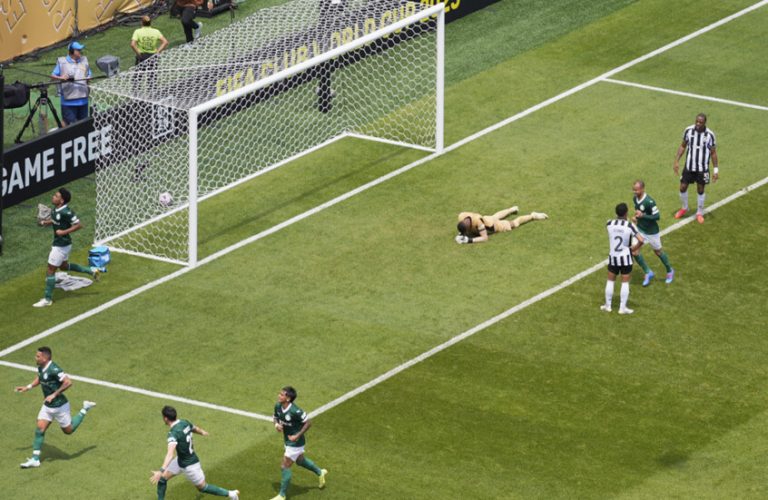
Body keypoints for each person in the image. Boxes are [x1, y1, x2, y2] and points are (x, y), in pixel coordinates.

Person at [14, 346, 97, 468]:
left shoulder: (54, 369)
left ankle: (85, 408)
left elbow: (68, 382)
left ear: (45, 358)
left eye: (38, 356)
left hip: (60, 406)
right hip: (47, 406)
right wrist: (28, 387)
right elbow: (40, 377)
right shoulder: (41, 367)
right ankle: (35, 459)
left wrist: (54, 394)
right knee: (40, 429)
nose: (35, 358)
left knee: (68, 431)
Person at [150, 406, 240, 500]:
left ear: (165, 418)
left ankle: (231, 494)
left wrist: (161, 470)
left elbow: (170, 454)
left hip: (190, 465)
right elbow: (194, 428)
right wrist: (202, 432)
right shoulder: (184, 422)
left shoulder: (173, 433)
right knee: (162, 479)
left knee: (203, 487)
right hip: (180, 460)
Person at [33, 188, 100, 307]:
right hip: (63, 244)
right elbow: (55, 220)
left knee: (50, 270)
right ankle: (92, 271)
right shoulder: (56, 209)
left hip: (61, 246)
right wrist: (44, 223)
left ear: (62, 200)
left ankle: (47, 299)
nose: (53, 197)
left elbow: (78, 225)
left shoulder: (67, 212)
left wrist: (63, 232)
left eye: (56, 196)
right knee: (63, 266)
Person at [271, 386, 328, 500]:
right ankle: (320, 472)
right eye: (279, 393)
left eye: (282, 394)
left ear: (288, 398)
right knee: (300, 461)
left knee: (285, 466)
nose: (279, 396)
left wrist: (297, 435)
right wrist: (276, 425)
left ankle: (282, 495)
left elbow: (308, 422)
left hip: (296, 443)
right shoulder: (278, 406)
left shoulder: (295, 411)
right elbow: (275, 417)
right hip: (288, 440)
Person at [673, 113, 720, 224]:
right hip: (689, 166)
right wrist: (676, 160)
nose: (698, 124)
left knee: (700, 189)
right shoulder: (688, 131)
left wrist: (716, 170)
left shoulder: (710, 135)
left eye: (700, 122)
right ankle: (684, 208)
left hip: (702, 168)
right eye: (697, 121)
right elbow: (683, 146)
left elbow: (713, 153)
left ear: (705, 123)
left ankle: (699, 212)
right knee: (682, 187)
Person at [602, 203, 644, 315]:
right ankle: (622, 308)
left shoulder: (609, 223)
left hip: (613, 257)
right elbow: (641, 240)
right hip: (626, 258)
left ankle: (608, 306)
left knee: (610, 281)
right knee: (625, 283)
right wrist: (634, 248)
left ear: (616, 213)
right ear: (626, 213)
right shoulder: (629, 226)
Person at [631, 180, 674, 286]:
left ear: (642, 189)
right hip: (640, 229)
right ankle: (648, 272)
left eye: (636, 190)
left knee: (658, 252)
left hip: (651, 231)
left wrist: (643, 216)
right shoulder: (635, 199)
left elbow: (657, 216)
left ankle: (669, 270)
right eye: (633, 190)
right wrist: (636, 218)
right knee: (634, 251)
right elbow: (638, 212)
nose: (634, 192)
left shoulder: (649, 202)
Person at [455, 206, 548, 244]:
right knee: (495, 216)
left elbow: (485, 237)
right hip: (487, 219)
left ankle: (533, 216)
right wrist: (461, 234)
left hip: (493, 226)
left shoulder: (478, 222)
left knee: (514, 224)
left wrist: (470, 240)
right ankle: (511, 210)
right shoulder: (461, 216)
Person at [51, 41, 92, 126]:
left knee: (83, 125)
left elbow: (89, 74)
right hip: (68, 103)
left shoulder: (84, 60)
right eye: (78, 50)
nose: (80, 51)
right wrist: (61, 78)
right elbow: (52, 76)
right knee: (70, 126)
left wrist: (89, 78)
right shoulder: (62, 62)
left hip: (83, 101)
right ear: (72, 51)